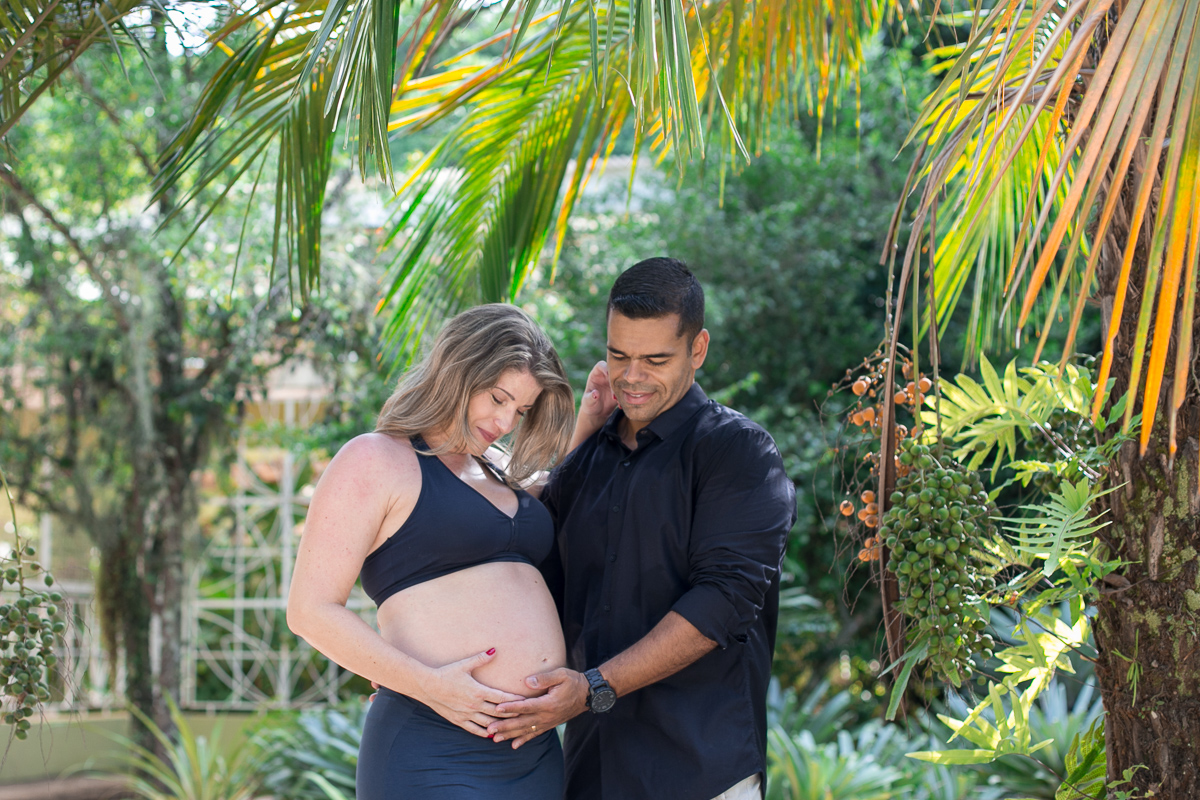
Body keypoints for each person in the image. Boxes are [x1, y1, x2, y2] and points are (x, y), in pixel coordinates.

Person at [485, 258, 797, 800]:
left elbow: (721, 601)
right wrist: (424, 668)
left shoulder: (738, 453)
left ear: (697, 350)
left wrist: (594, 688)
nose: (632, 377)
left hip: (699, 773)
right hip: (591, 773)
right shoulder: (583, 465)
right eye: (619, 355)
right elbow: (521, 572)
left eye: (656, 359)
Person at [286, 303, 585, 800]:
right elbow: (309, 612)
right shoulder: (375, 459)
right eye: (497, 397)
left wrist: (592, 418)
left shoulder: (501, 470)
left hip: (531, 751)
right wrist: (428, 684)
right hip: (431, 745)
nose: (506, 420)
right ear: (458, 369)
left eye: (522, 410)